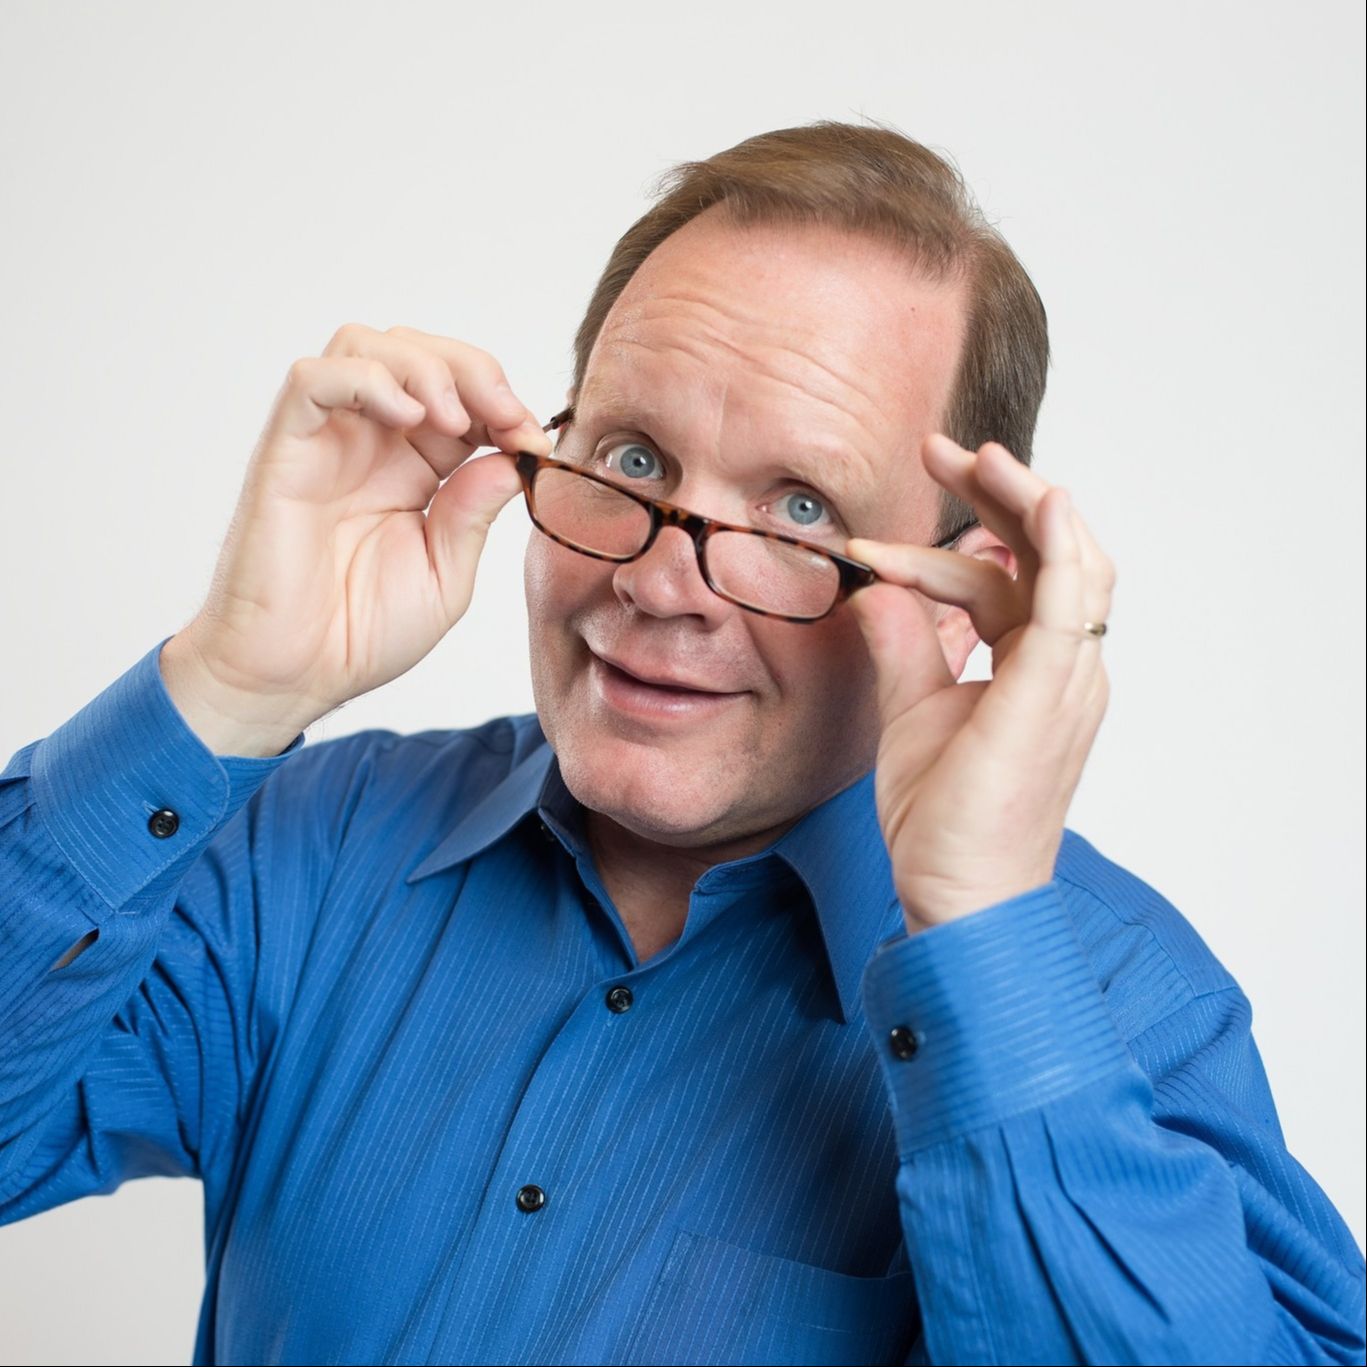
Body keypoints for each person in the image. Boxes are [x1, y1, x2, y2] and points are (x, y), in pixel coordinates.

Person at [1, 120, 1362, 1367]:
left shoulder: (1130, 1013)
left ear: (963, 591)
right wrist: (228, 683)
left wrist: (978, 937)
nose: (658, 584)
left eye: (801, 509)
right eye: (635, 460)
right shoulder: (319, 845)